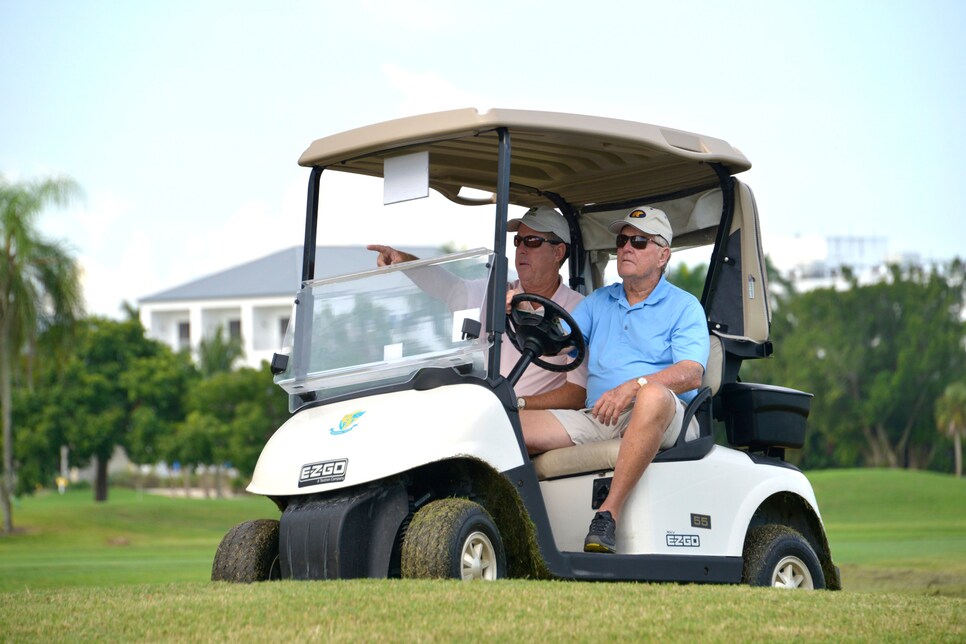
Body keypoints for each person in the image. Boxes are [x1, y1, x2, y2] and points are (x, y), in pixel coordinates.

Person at [519, 206, 709, 554]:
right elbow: (558, 334)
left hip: (664, 415)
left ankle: (607, 516)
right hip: (601, 413)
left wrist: (633, 387)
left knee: (651, 394)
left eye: (639, 241)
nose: (626, 249)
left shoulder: (684, 306)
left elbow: (690, 372)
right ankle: (512, 521)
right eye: (622, 241)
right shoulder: (600, 301)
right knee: (512, 425)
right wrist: (522, 313)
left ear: (663, 254)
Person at [368, 206, 587, 410]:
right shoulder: (496, 292)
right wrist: (406, 262)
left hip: (530, 416)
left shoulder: (580, 310)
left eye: (531, 241)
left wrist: (516, 403)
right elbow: (447, 287)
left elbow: (577, 393)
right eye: (518, 241)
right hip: (490, 411)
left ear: (558, 252)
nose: (521, 249)